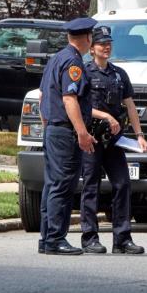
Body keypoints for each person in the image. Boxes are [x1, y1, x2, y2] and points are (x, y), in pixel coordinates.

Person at [80, 26, 147, 255]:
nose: (106, 47)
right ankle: (90, 238)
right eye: (101, 44)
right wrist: (106, 116)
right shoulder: (84, 72)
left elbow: (130, 106)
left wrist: (139, 135)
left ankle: (122, 238)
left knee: (122, 184)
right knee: (91, 186)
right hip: (92, 138)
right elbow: (80, 106)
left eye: (109, 43)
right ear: (92, 48)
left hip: (114, 141)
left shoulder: (119, 74)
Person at [38, 17, 97, 255]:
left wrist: (49, 126)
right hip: (65, 132)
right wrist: (82, 132)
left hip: (54, 129)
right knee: (62, 186)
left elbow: (42, 97)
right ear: (87, 38)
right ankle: (55, 239)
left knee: (51, 185)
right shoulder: (73, 62)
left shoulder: (56, 59)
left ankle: (46, 238)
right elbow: (69, 99)